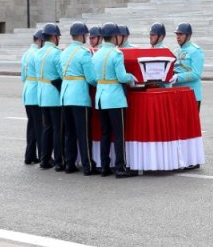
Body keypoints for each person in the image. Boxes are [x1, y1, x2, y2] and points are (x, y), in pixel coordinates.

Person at [91, 23, 137, 178]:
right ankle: (120, 166)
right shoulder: (116, 54)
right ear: (115, 36)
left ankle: (104, 165)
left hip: (101, 96)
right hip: (115, 98)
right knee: (119, 134)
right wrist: (132, 77)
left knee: (105, 133)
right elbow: (122, 77)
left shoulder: (96, 53)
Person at [59, 23, 96, 176]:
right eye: (86, 36)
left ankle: (69, 163)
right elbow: (92, 79)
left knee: (70, 133)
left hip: (65, 95)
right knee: (83, 133)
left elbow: (62, 74)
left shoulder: (64, 52)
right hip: (79, 96)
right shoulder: (84, 53)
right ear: (81, 36)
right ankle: (88, 165)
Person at [35, 23, 63, 170]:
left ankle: (44, 159)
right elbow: (62, 73)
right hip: (54, 94)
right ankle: (59, 161)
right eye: (58, 36)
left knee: (47, 128)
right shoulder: (56, 52)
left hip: (42, 94)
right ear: (53, 37)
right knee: (58, 129)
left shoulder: (38, 52)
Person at [20, 31, 43, 164]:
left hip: (27, 90)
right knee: (39, 126)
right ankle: (42, 155)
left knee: (32, 126)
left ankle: (29, 155)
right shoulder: (37, 54)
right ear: (40, 41)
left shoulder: (26, 53)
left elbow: (23, 76)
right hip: (35, 92)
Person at [173, 23, 204, 118]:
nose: (178, 37)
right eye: (177, 34)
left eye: (181, 34)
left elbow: (196, 73)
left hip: (191, 94)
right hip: (177, 93)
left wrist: (178, 77)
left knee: (190, 127)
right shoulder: (176, 51)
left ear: (188, 36)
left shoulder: (195, 51)